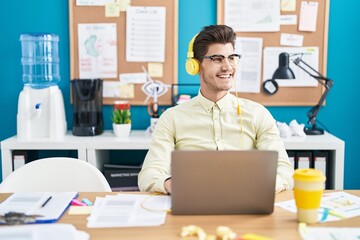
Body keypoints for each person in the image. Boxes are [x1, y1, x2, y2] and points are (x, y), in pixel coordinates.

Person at [138, 24, 294, 194]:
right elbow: (149, 175)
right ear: (196, 66)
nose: (228, 67)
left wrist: (259, 184)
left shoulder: (258, 114)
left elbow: (285, 172)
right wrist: (172, 184)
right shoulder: (172, 118)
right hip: (194, 204)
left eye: (232, 57)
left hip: (246, 205)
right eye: (217, 59)